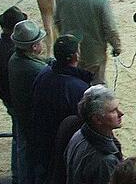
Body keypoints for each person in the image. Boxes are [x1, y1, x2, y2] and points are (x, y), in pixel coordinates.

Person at [30, 34, 93, 184]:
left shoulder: (43, 74)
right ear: (75, 56)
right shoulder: (79, 88)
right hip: (65, 143)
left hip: (43, 139)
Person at [55, 0, 122, 85]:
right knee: (97, 84)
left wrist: (65, 38)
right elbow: (110, 28)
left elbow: (57, 20)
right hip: (93, 53)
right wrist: (116, 46)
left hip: (70, 51)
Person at [8, 19, 49, 184]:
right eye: (39, 41)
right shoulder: (36, 71)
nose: (42, 44)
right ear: (34, 47)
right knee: (35, 160)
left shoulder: (15, 59)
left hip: (21, 115)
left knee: (22, 152)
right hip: (34, 121)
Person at [0, 6, 25, 184]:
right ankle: (19, 175)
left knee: (18, 135)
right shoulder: (14, 50)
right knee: (21, 139)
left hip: (6, 95)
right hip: (16, 98)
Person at [64, 85, 124, 184]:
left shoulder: (78, 135)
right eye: (113, 111)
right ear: (97, 119)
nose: (121, 113)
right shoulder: (105, 161)